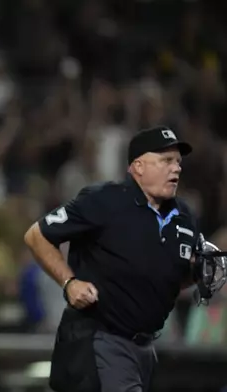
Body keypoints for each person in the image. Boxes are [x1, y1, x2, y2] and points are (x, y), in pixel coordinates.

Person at [24, 126, 226, 392]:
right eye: (166, 160)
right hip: (100, 338)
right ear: (138, 166)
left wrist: (195, 273)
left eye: (178, 161)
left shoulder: (184, 215)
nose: (176, 168)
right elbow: (37, 235)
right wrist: (69, 282)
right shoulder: (105, 200)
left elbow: (172, 279)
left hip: (146, 346)